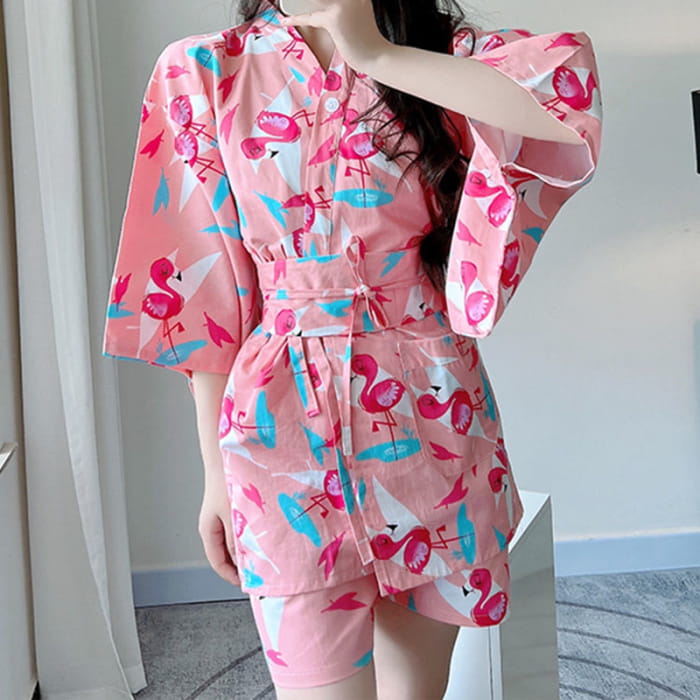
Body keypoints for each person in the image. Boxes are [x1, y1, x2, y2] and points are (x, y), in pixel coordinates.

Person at [102, 0, 602, 696]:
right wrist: (215, 475)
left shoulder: (440, 52)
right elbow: (205, 297)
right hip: (280, 439)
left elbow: (566, 103)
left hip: (433, 424)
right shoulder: (205, 69)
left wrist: (378, 55)